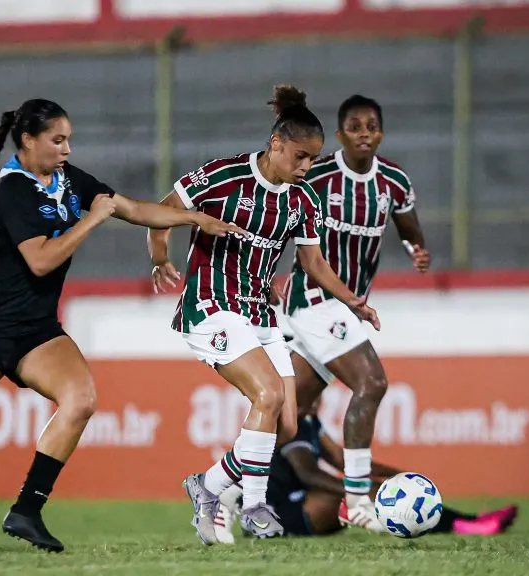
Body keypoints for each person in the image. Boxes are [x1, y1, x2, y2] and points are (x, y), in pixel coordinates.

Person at [0, 99, 246, 556]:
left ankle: (26, 510)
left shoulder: (68, 179)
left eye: (69, 139)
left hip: (36, 328)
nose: (67, 148)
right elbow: (41, 259)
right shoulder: (15, 188)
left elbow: (129, 207)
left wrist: (193, 218)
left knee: (82, 398)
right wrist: (93, 219)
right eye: (57, 139)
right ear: (28, 141)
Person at [148, 85, 380, 545]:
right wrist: (160, 257)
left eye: (312, 160)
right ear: (275, 143)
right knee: (269, 395)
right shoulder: (223, 175)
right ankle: (255, 507)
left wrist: (353, 301)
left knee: (287, 424)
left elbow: (313, 264)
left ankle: (209, 486)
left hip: (260, 314)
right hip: (212, 307)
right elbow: (163, 211)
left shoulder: (303, 199)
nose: (305, 168)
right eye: (299, 157)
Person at [272, 94, 430, 529]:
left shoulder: (393, 181)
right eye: (355, 126)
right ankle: (359, 503)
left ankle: (221, 493)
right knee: (373, 382)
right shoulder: (317, 175)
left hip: (339, 308)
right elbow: (276, 213)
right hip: (315, 299)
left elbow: (408, 223)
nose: (365, 133)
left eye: (372, 126)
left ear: (381, 132)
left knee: (288, 410)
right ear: (340, 134)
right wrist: (262, 270)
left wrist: (415, 248)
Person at [214, 397, 519, 541]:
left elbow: (347, 462)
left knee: (377, 490)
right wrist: (359, 490)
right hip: (279, 511)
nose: (319, 393)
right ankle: (470, 526)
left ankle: (471, 521)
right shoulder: (289, 426)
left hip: (300, 499)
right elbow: (308, 474)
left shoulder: (310, 422)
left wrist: (398, 474)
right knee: (367, 495)